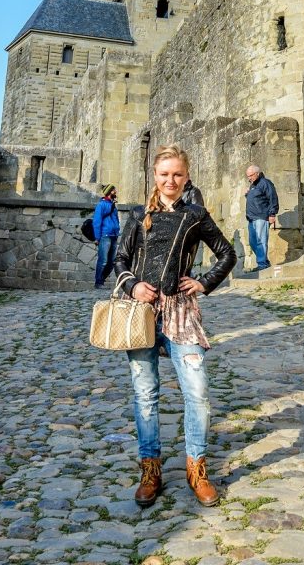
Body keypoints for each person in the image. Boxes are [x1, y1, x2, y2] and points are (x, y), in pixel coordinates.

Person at [115, 145, 236, 508]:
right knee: (145, 395)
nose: (171, 180)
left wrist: (203, 282)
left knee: (197, 391)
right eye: (164, 174)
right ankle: (150, 470)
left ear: (186, 177)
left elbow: (227, 253)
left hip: (181, 312)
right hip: (141, 314)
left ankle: (196, 467)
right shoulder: (138, 215)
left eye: (177, 174)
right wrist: (134, 284)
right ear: (155, 176)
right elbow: (119, 258)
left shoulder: (195, 215)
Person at [244, 164, 279, 271]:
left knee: (261, 241)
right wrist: (247, 194)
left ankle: (262, 264)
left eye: (251, 175)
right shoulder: (253, 185)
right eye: (248, 176)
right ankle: (264, 261)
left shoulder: (265, 183)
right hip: (251, 218)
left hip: (261, 217)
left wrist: (272, 214)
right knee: (252, 242)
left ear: (257, 173)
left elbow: (272, 198)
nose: (249, 178)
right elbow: (256, 199)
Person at [93, 183, 120, 289]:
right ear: (109, 192)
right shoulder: (102, 205)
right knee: (103, 260)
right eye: (114, 190)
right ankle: (98, 282)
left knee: (112, 261)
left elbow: (116, 220)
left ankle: (101, 280)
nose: (116, 191)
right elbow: (97, 221)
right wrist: (97, 237)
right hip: (105, 235)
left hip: (114, 235)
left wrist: (117, 231)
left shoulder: (113, 205)